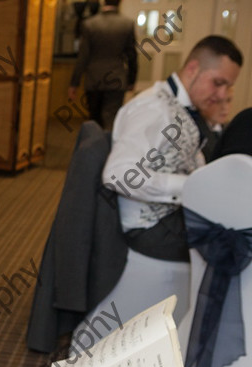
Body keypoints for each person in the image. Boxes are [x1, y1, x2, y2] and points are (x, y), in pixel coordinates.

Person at [103, 35, 243, 261]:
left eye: (229, 87)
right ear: (193, 68)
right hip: (148, 228)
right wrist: (190, 186)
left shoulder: (179, 106)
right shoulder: (154, 108)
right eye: (218, 83)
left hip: (172, 217)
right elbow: (118, 175)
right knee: (238, 246)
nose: (222, 96)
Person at [68, 0, 138, 130]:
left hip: (94, 79)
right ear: (119, 2)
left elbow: (83, 57)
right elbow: (132, 55)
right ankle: (109, 147)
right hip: (117, 78)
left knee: (94, 119)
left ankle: (95, 147)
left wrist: (74, 83)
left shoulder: (89, 24)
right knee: (111, 118)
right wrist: (131, 80)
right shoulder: (127, 24)